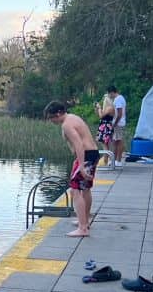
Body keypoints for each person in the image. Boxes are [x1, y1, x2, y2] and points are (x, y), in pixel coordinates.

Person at [45, 100, 99, 238]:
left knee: (75, 190)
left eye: (51, 117)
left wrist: (81, 166)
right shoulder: (73, 118)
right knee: (85, 188)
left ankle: (83, 228)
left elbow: (79, 144)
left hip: (86, 156)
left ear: (58, 113)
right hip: (92, 154)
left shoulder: (66, 125)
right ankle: (85, 222)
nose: (50, 120)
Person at [106, 85, 127, 164]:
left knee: (119, 141)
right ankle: (114, 160)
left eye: (109, 94)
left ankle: (118, 161)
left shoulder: (118, 99)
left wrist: (115, 123)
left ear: (112, 92)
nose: (109, 96)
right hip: (120, 123)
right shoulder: (121, 98)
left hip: (118, 123)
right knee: (115, 141)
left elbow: (120, 113)